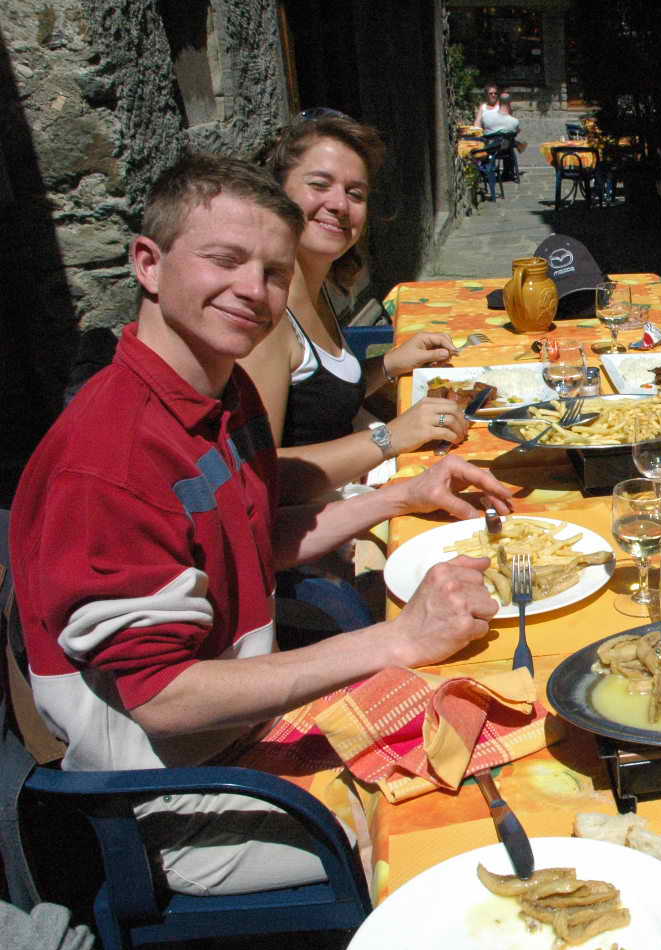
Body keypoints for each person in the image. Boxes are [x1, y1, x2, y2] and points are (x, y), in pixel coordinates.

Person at [9, 153, 516, 896]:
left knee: (493, 710)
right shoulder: (109, 461)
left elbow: (247, 542)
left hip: (251, 725)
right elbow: (164, 696)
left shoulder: (223, 392)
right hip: (179, 801)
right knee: (476, 823)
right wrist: (396, 640)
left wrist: (403, 497)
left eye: (274, 272)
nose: (253, 289)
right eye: (225, 260)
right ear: (148, 264)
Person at [245, 114, 467, 504]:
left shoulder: (320, 287)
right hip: (317, 524)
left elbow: (319, 403)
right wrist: (389, 437)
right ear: (276, 193)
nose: (339, 205)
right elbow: (258, 476)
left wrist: (389, 365)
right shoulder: (267, 318)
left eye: (355, 193)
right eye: (319, 185)